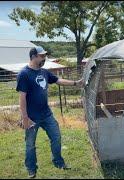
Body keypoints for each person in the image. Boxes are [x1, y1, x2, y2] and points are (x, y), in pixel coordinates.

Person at [16, 46, 84, 178]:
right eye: (42, 56)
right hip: (31, 118)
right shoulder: (24, 74)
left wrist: (76, 83)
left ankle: (58, 162)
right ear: (33, 56)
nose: (44, 58)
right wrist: (25, 117)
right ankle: (31, 168)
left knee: (56, 137)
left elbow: (58, 81)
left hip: (46, 115)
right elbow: (22, 97)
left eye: (45, 56)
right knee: (30, 145)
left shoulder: (44, 72)